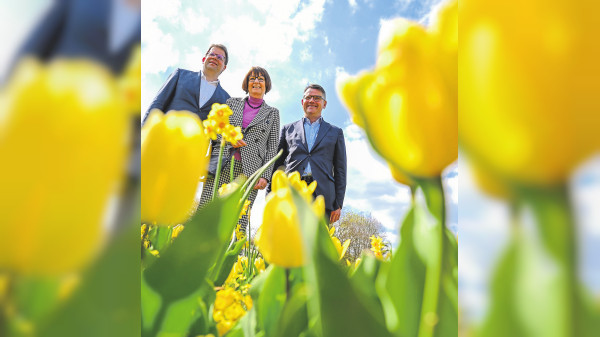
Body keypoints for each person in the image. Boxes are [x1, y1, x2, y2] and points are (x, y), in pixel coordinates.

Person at [199, 66, 280, 232]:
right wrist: (229, 139)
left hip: (249, 172)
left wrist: (265, 176)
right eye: (252, 79)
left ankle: (229, 257)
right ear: (247, 84)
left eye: (261, 79)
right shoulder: (231, 103)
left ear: (266, 85)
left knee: (238, 220)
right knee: (206, 211)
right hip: (222, 164)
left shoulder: (272, 113)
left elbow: (272, 147)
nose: (256, 82)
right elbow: (218, 132)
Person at [272, 84, 347, 224]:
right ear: (302, 102)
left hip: (323, 196)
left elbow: (340, 170)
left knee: (317, 243)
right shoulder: (287, 129)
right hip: (292, 192)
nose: (312, 100)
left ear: (324, 104)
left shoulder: (336, 132)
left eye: (317, 98)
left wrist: (338, 203)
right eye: (308, 97)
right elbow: (276, 164)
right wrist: (271, 193)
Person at [143, 43, 230, 121]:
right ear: (204, 59)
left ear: (224, 67)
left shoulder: (227, 99)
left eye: (220, 57)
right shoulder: (180, 75)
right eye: (212, 54)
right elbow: (157, 105)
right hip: (165, 136)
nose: (215, 57)